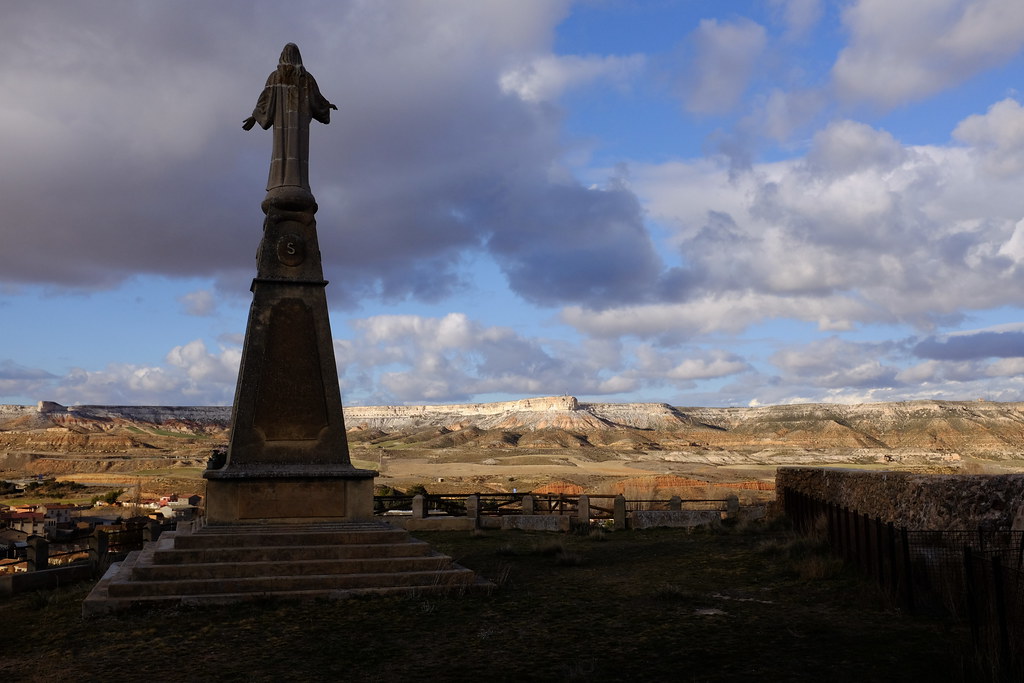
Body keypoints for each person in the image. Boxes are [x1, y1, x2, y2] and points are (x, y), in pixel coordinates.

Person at [243, 43, 337, 192]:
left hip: (286, 125)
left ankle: (283, 184)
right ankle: (294, 184)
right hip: (299, 127)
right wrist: (326, 106)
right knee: (296, 154)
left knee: (283, 152)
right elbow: (317, 100)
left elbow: (264, 102)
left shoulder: (276, 77)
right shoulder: (306, 78)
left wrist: (255, 116)